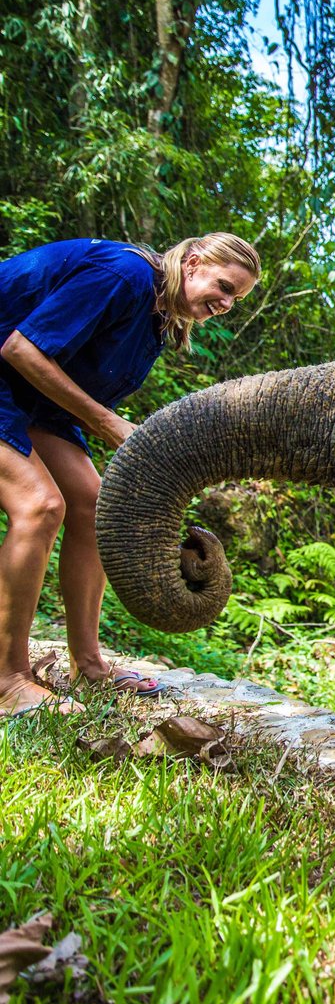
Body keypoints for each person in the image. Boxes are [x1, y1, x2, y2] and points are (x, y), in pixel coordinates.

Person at [0, 232, 260, 716]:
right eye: (224, 286)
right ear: (195, 262)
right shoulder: (124, 275)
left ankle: (89, 665)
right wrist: (106, 423)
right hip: (8, 378)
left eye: (235, 299)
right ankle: (7, 679)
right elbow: (21, 349)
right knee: (39, 506)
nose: (226, 303)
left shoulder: (158, 318)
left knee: (93, 504)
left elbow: (66, 384)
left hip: (28, 403)